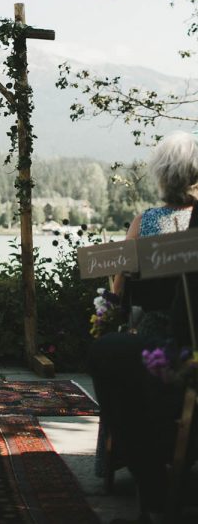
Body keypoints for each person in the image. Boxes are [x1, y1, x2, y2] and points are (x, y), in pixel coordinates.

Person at [89, 132, 198, 524]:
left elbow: (119, 288)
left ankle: (137, 469)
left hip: (155, 335)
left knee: (113, 350)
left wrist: (109, 315)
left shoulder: (145, 221)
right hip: (183, 335)